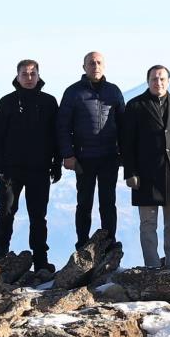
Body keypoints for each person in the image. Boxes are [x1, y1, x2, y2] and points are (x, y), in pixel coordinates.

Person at [121, 65, 170, 269]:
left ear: (169, 81)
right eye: (154, 79)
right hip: (145, 175)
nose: (158, 82)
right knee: (148, 225)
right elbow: (126, 143)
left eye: (162, 78)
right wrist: (130, 172)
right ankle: (152, 268)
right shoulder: (135, 105)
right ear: (148, 81)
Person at [0, 59, 61, 271]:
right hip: (12, 170)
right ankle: (0, 255)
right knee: (6, 210)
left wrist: (56, 164)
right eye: (24, 74)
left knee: (38, 215)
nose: (29, 78)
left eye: (32, 74)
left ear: (38, 76)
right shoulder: (7, 102)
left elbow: (56, 136)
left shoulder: (49, 102)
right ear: (17, 76)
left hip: (40, 169)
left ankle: (40, 260)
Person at [57, 51, 125, 249]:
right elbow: (62, 126)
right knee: (84, 204)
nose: (95, 66)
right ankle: (82, 244)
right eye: (91, 63)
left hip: (109, 157)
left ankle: (109, 244)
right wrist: (68, 154)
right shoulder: (73, 92)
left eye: (99, 63)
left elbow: (124, 125)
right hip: (83, 158)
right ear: (84, 67)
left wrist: (124, 154)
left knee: (108, 203)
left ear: (104, 66)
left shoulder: (113, 91)